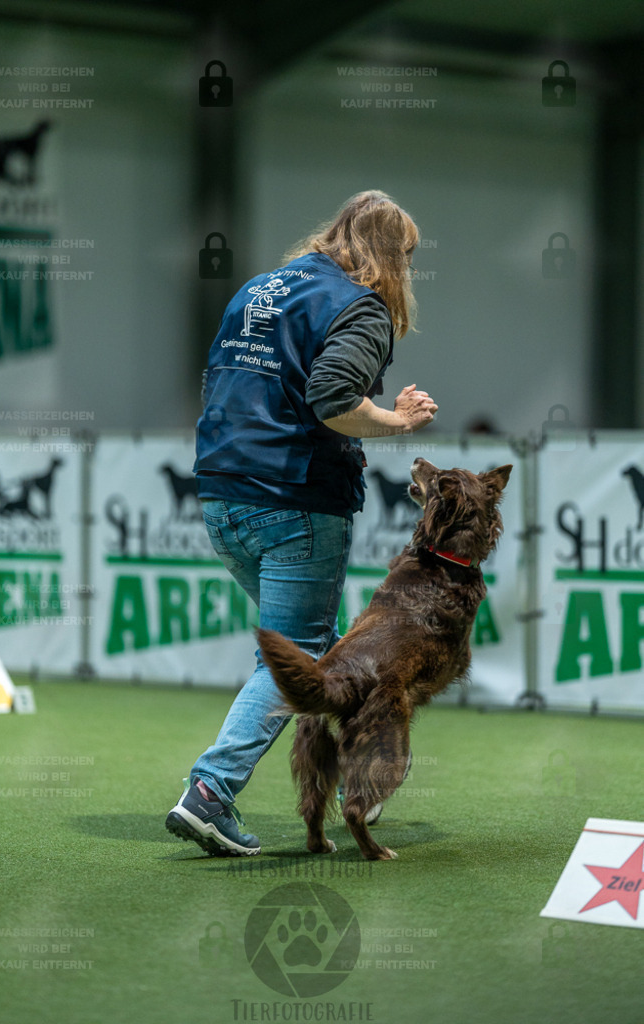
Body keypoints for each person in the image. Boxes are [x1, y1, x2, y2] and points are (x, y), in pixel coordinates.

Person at [165, 190, 438, 856]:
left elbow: (263, 383)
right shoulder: (362, 303)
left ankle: (356, 785)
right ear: (390, 254)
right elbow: (332, 398)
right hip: (293, 498)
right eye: (406, 256)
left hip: (223, 493)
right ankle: (210, 790)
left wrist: (372, 410)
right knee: (304, 652)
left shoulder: (262, 289)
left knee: (328, 650)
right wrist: (396, 420)